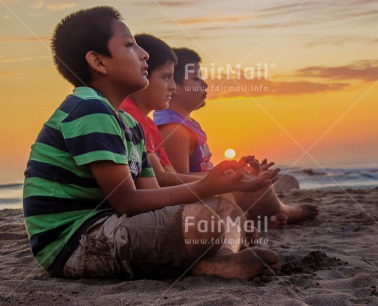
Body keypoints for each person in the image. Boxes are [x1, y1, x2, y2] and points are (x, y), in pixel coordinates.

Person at [23, 6, 280, 281]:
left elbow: (154, 196)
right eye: (129, 45)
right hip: (74, 242)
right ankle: (214, 259)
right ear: (99, 62)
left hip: (113, 226)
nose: (144, 54)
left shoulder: (131, 125)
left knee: (222, 208)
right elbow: (126, 201)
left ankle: (219, 260)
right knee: (202, 219)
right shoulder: (89, 108)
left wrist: (221, 187)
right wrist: (206, 186)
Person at [154, 48, 320, 225]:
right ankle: (285, 212)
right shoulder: (174, 130)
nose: (205, 84)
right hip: (200, 195)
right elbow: (178, 182)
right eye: (196, 79)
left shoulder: (185, 123)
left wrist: (235, 169)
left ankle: (261, 217)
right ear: (175, 87)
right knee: (253, 185)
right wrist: (228, 178)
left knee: (252, 175)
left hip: (208, 186)